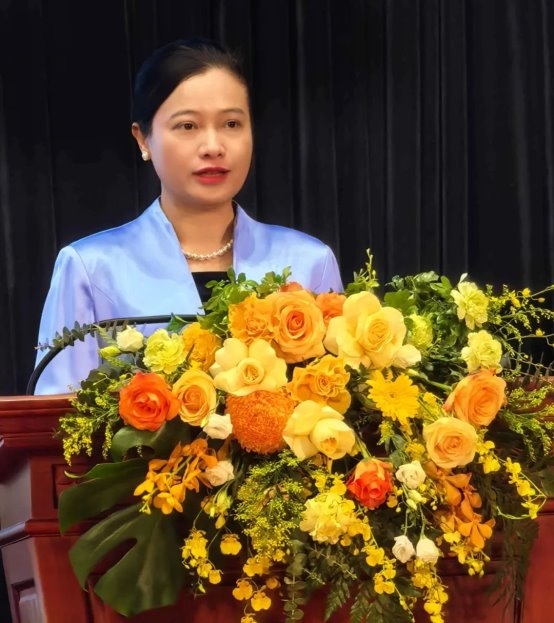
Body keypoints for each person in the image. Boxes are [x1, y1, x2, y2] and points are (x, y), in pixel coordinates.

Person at [33, 37, 343, 395]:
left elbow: (340, 398)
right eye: (188, 126)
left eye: (231, 124)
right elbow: (56, 414)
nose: (213, 147)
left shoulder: (308, 261)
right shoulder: (91, 268)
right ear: (143, 140)